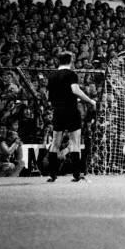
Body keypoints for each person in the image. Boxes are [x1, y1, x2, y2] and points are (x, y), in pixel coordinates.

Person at [46, 52, 96, 182]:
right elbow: (75, 90)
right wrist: (90, 101)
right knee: (75, 142)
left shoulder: (51, 76)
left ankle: (52, 174)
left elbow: (48, 95)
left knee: (55, 142)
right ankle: (76, 174)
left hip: (57, 110)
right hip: (71, 110)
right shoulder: (71, 74)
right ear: (71, 61)